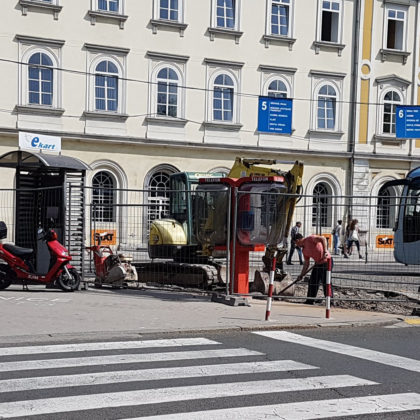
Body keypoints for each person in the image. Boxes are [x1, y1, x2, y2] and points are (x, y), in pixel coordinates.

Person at [295, 233, 333, 304]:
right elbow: (306, 264)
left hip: (326, 261)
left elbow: (323, 239)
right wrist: (301, 275)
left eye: (296, 243)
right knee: (313, 281)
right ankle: (310, 300)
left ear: (297, 240)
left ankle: (330, 301)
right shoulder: (304, 250)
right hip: (318, 263)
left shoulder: (310, 239)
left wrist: (325, 251)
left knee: (326, 281)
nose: (296, 245)